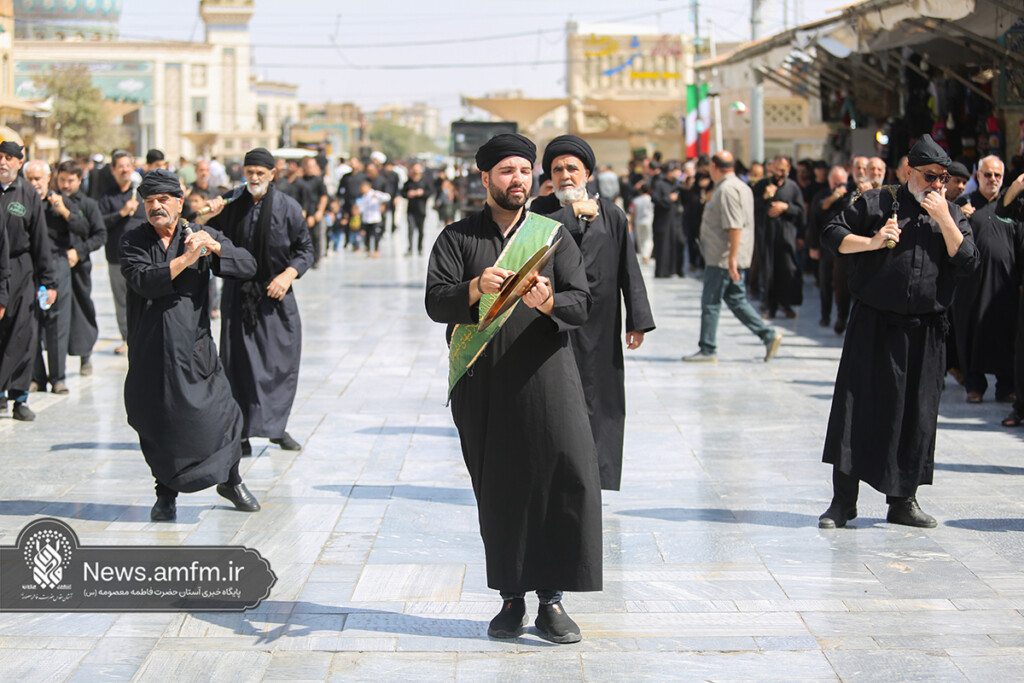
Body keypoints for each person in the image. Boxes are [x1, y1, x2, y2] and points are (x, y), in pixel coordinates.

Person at [425, 133, 601, 644]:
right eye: (506, 171)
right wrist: (475, 287)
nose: (517, 179)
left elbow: (581, 302)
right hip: (483, 382)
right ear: (485, 178)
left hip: (547, 378)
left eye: (524, 170)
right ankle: (510, 599)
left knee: (558, 479)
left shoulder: (553, 236)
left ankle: (552, 600)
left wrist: (549, 303)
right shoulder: (456, 238)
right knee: (499, 489)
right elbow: (436, 301)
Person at [818, 134, 979, 530]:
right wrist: (872, 242)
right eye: (929, 176)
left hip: (925, 330)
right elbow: (833, 234)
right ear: (909, 171)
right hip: (874, 325)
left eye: (943, 178)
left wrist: (945, 219)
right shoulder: (877, 202)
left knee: (917, 414)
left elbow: (969, 261)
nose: (936, 184)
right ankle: (843, 502)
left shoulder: (951, 213)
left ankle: (903, 500)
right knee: (857, 408)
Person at [120, 169, 260, 522]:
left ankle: (231, 481)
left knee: (222, 416)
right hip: (151, 349)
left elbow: (248, 266)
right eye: (150, 201)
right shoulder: (134, 240)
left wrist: (214, 247)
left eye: (163, 200)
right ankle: (165, 495)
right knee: (159, 423)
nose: (156, 207)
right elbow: (142, 281)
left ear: (179, 203)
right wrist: (186, 259)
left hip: (195, 350)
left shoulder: (198, 233)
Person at [530, 134, 655, 491]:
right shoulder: (540, 211)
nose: (565, 175)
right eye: (557, 169)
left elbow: (628, 266)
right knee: (556, 397)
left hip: (600, 322)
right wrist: (571, 215)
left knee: (601, 396)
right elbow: (534, 245)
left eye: (572, 168)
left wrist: (637, 320)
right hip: (552, 318)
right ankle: (556, 474)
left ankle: (598, 477)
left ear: (587, 173)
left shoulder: (611, 214)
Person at [202, 148, 314, 456]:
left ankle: (276, 427)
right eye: (249, 172)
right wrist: (208, 214)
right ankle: (241, 433)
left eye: (260, 173)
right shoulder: (230, 202)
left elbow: (305, 250)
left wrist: (287, 276)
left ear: (272, 174)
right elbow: (197, 228)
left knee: (280, 362)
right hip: (238, 293)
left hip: (275, 293)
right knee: (237, 365)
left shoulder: (288, 207)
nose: (254, 178)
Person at [682, 151, 783, 363]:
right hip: (727, 256)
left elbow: (734, 225)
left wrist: (732, 259)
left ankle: (707, 348)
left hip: (723, 257)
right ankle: (768, 335)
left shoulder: (727, 189)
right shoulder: (739, 186)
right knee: (736, 300)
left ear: (714, 166)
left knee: (711, 302)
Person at [952, 155, 1023, 403]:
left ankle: (1006, 387)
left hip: (1006, 283)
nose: (992, 179)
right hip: (971, 283)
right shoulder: (964, 204)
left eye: (997, 175)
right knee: (971, 332)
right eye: (988, 174)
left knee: (1006, 332)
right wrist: (959, 215)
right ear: (978, 176)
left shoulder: (1010, 205)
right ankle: (974, 386)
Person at [0, 142, 56, 420]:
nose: (3, 162)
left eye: (9, 158)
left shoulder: (28, 194)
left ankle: (19, 398)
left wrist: (49, 282)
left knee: (23, 335)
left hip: (21, 269)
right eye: (0, 157)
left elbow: (40, 240)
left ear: (19, 163)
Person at [25, 160, 76, 394]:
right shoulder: (21, 201)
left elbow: (85, 228)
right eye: (30, 179)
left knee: (57, 323)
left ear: (48, 178)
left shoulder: (59, 202)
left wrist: (63, 211)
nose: (34, 183)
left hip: (57, 264)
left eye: (38, 178)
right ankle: (36, 377)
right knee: (30, 322)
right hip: (30, 266)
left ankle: (58, 377)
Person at [58, 161, 106, 377]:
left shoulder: (88, 205)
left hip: (79, 267)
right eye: (62, 180)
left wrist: (79, 251)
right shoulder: (51, 201)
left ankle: (85, 355)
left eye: (70, 180)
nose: (66, 185)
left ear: (79, 180)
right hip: (54, 266)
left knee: (82, 308)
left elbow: (100, 235)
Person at [99, 150, 147, 354]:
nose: (125, 170)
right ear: (113, 170)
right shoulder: (107, 196)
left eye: (128, 166)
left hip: (142, 257)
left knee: (144, 297)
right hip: (116, 257)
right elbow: (100, 222)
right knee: (121, 301)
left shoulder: (143, 193)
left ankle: (144, 338)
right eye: (121, 167)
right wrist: (122, 213)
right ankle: (127, 338)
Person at [754, 155, 805, 318]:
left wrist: (785, 207)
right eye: (776, 169)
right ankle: (770, 306)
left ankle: (786, 304)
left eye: (782, 170)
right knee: (769, 270)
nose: (779, 173)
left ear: (788, 169)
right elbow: (751, 205)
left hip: (786, 235)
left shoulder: (793, 187)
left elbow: (800, 211)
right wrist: (764, 197)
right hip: (767, 235)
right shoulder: (762, 185)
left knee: (788, 269)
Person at [806, 166, 851, 330]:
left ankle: (841, 317)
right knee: (824, 282)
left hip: (846, 246)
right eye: (835, 181)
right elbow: (814, 218)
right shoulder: (822, 195)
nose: (838, 184)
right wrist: (813, 246)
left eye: (841, 181)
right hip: (825, 246)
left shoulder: (851, 195)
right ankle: (825, 315)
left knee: (842, 284)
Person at [651, 162, 682, 278]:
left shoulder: (677, 185)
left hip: (675, 220)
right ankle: (662, 271)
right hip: (662, 221)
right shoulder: (659, 184)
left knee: (676, 243)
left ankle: (674, 270)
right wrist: (668, 199)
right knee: (663, 246)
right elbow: (655, 199)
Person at [301, 157, 328, 266]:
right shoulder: (301, 180)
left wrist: (320, 211)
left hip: (315, 212)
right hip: (303, 213)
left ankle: (316, 259)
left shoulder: (318, 180)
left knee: (316, 236)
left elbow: (324, 196)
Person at [401, 162, 432, 256]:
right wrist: (408, 194)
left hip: (421, 209)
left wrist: (422, 193)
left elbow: (430, 191)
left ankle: (420, 248)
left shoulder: (425, 181)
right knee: (410, 228)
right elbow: (402, 193)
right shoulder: (409, 182)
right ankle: (410, 248)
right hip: (411, 209)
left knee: (420, 230)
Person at [354, 179, 390, 258]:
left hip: (375, 219)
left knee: (376, 235)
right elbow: (361, 208)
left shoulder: (375, 193)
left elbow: (387, 197)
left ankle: (376, 250)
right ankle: (369, 250)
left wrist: (378, 197)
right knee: (367, 236)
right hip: (366, 219)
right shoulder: (363, 197)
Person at [630, 183, 654, 260]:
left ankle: (642, 254)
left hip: (638, 221)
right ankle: (646, 255)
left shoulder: (635, 200)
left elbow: (632, 212)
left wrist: (630, 222)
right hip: (649, 221)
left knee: (640, 239)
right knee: (648, 238)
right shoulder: (652, 200)